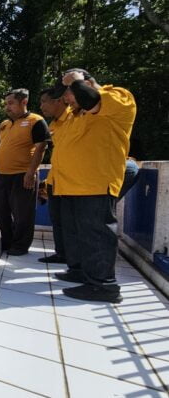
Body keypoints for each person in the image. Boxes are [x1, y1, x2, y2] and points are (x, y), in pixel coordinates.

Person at [49, 69, 136, 303]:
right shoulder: (74, 115)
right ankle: (80, 271)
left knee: (96, 234)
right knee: (77, 234)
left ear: (86, 84)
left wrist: (77, 83)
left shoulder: (117, 96)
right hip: (69, 186)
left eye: (68, 93)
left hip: (95, 183)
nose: (65, 100)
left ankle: (104, 286)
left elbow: (93, 100)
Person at [0, 89, 50, 255]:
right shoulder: (4, 125)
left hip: (22, 175)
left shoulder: (36, 121)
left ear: (24, 102)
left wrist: (31, 172)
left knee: (23, 214)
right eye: (6, 104)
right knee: (1, 212)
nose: (7, 107)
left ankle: (20, 246)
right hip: (2, 175)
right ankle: (6, 242)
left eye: (11, 103)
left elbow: (41, 147)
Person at [37, 88, 72, 264]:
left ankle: (77, 261)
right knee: (57, 220)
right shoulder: (53, 125)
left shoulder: (75, 118)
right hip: (55, 179)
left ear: (59, 100)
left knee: (72, 222)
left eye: (44, 101)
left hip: (73, 181)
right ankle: (62, 254)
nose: (41, 105)